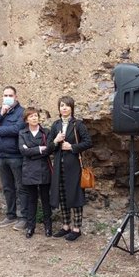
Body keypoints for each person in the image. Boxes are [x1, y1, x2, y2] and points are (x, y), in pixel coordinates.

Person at [48, 96, 92, 241]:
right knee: (62, 196)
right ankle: (65, 226)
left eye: (67, 106)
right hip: (59, 166)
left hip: (74, 166)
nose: (64, 108)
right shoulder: (55, 125)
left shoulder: (78, 124)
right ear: (59, 108)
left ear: (72, 108)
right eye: (61, 106)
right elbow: (49, 147)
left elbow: (88, 142)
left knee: (75, 195)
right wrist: (56, 141)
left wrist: (72, 147)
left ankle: (76, 228)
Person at [0, 86, 27, 230]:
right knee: (8, 188)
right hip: (1, 156)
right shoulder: (1, 111)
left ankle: (23, 217)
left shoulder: (22, 112)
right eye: (5, 95)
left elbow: (17, 130)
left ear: (16, 97)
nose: (7, 97)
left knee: (20, 187)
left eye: (10, 95)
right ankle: (10, 215)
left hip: (16, 156)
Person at [18, 108, 53, 238]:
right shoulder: (22, 133)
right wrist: (39, 149)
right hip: (29, 171)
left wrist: (31, 151)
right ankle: (30, 227)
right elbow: (23, 151)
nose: (34, 118)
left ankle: (48, 227)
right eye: (31, 116)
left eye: (36, 116)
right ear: (26, 119)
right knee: (31, 200)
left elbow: (49, 149)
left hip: (43, 170)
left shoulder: (46, 132)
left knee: (45, 200)